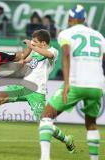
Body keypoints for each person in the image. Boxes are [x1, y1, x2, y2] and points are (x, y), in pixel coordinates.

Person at [0, 29, 75, 153]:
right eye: (33, 42)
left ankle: (67, 140)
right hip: (23, 86)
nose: (33, 43)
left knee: (44, 123)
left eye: (36, 42)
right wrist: (22, 61)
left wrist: (31, 46)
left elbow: (48, 55)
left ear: (43, 43)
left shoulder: (53, 51)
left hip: (37, 91)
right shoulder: (36, 52)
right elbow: (27, 60)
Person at [39, 5, 105, 160]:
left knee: (46, 116)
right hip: (96, 86)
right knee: (91, 123)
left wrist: (67, 83)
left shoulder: (66, 33)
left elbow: (66, 55)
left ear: (69, 19)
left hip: (75, 83)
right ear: (84, 19)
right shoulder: (99, 36)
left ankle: (45, 158)